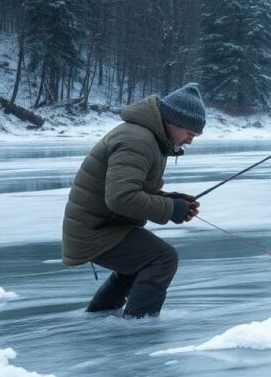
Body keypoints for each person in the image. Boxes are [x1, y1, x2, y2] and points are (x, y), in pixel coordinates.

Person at [62, 83, 206, 318]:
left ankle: (98, 317)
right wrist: (170, 208)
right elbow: (121, 198)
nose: (190, 141)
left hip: (103, 225)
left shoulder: (147, 138)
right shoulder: (137, 140)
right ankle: (139, 328)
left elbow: (130, 190)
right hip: (94, 230)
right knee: (163, 258)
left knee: (139, 262)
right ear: (174, 121)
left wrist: (172, 200)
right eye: (190, 133)